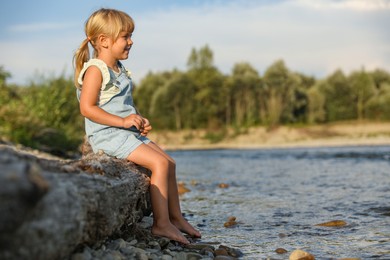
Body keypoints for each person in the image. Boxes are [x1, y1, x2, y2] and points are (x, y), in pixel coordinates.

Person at [73, 8, 201, 244]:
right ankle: (161, 224)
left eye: (130, 36)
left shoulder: (118, 69)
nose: (131, 42)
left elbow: (121, 105)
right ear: (104, 41)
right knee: (159, 163)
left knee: (170, 162)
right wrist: (123, 121)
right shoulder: (95, 69)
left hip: (125, 132)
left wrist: (137, 118)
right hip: (108, 134)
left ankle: (176, 217)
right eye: (125, 36)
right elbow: (87, 108)